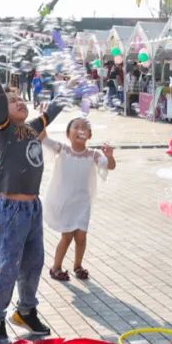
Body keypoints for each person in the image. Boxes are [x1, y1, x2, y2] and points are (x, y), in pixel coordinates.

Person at [0, 44, 64, 344]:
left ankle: (26, 311)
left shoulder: (31, 128)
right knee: (9, 266)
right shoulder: (3, 129)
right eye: (12, 100)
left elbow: (53, 110)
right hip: (11, 208)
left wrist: (67, 88)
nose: (19, 102)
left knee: (34, 262)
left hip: (32, 208)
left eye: (21, 99)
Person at [44, 117, 116, 281]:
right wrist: (44, 120)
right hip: (66, 202)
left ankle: (77, 266)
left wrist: (110, 156)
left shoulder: (93, 155)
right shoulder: (63, 150)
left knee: (81, 237)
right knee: (67, 237)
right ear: (68, 134)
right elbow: (44, 140)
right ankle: (56, 267)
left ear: (89, 135)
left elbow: (109, 166)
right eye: (76, 127)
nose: (80, 130)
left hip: (83, 203)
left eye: (84, 128)